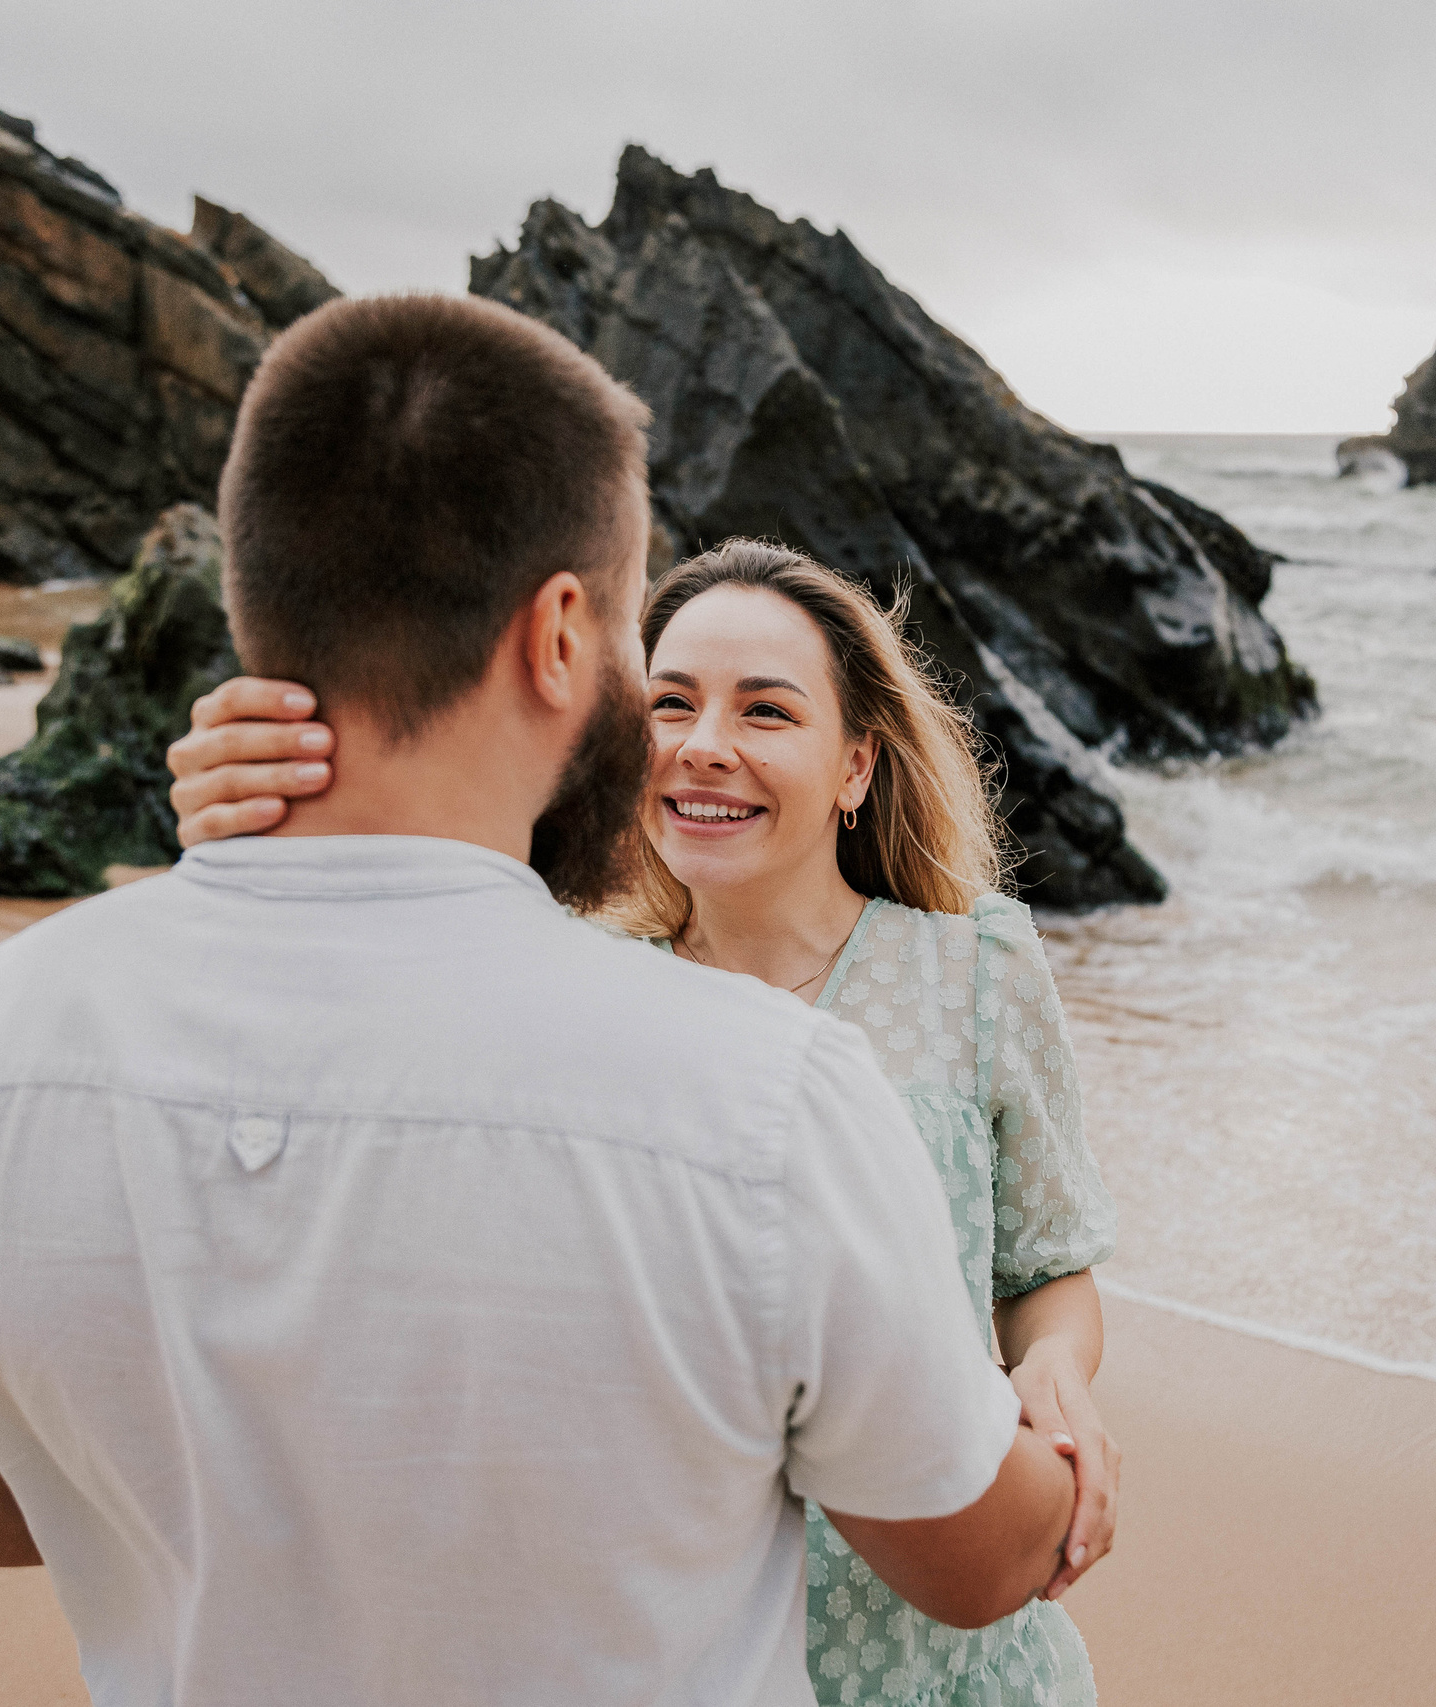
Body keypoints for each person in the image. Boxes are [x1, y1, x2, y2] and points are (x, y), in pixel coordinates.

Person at [0, 293, 1079, 1707]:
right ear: (562, 632)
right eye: (636, 643)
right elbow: (977, 1563)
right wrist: (1055, 1456)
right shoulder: (763, 1097)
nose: (673, 726)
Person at [169, 541, 1123, 1706]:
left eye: (765, 711)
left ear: (856, 766)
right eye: (669, 704)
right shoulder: (569, 983)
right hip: (666, 1636)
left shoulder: (976, 969)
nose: (703, 742)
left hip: (934, 1635)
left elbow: (1045, 1266)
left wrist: (1056, 1377)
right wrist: (255, 830)